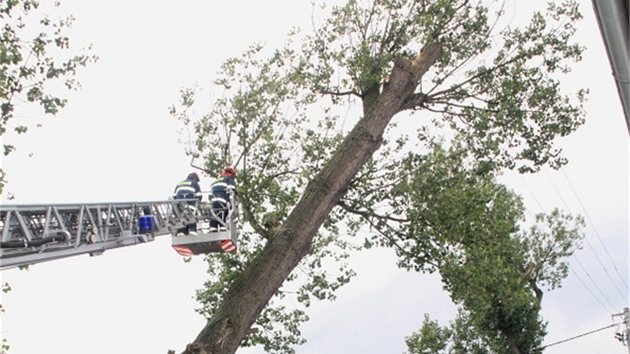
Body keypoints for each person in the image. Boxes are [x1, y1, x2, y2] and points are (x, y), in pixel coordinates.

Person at [209, 166, 237, 231]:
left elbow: (210, 194)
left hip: (213, 201)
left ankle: (213, 227)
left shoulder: (215, 181)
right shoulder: (229, 179)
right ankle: (222, 226)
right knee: (224, 211)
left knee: (214, 213)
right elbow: (232, 191)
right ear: (231, 173)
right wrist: (231, 203)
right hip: (222, 201)